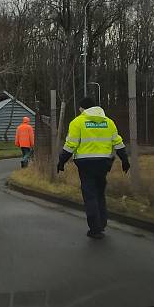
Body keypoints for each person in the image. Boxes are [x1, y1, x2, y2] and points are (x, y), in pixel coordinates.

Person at [57, 97, 130, 240]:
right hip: (104, 163)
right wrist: (125, 160)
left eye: (80, 108)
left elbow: (70, 145)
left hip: (85, 164)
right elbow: (118, 142)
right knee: (99, 193)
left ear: (83, 108)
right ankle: (102, 223)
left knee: (89, 194)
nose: (79, 111)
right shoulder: (108, 122)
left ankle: (95, 229)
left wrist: (61, 161)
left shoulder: (77, 122)